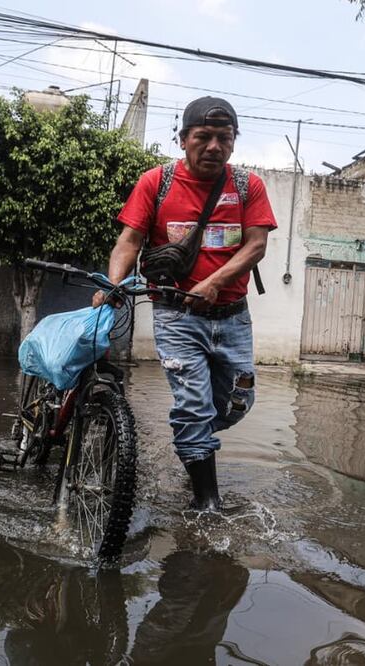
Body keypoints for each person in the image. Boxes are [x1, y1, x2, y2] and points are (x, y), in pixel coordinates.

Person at [92, 96, 277, 511]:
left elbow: (257, 245)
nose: (214, 146)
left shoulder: (248, 186)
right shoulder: (155, 183)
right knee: (194, 406)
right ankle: (206, 503)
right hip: (176, 316)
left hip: (233, 317)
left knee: (237, 403)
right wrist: (113, 286)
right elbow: (129, 241)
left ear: (233, 142)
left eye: (224, 138)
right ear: (183, 139)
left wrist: (213, 282)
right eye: (203, 136)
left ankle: (192, 442)